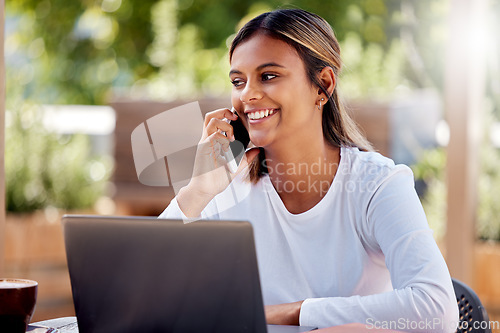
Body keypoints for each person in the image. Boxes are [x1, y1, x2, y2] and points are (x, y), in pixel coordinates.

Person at [159, 8, 458, 332]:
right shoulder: (225, 187)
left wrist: (294, 312)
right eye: (237, 81)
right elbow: (143, 290)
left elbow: (435, 310)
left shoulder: (376, 185)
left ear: (323, 85)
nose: (247, 94)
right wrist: (197, 191)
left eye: (268, 75)